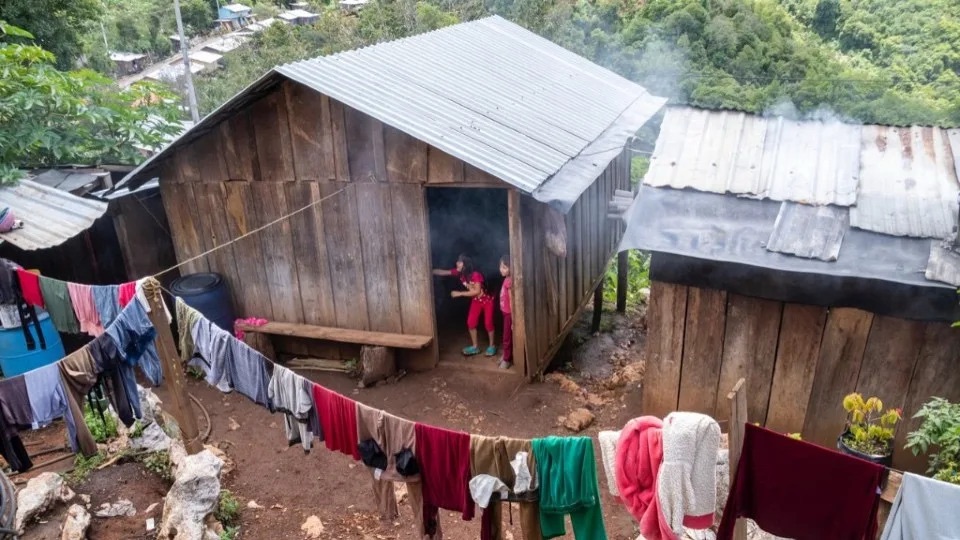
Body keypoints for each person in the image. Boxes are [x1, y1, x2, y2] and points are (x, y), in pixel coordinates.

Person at [433, 254, 496, 357]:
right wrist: (431, 271)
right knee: (471, 323)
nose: (457, 263)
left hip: (487, 300)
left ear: (465, 264)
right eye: (457, 261)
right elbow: (444, 272)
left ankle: (492, 346)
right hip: (476, 301)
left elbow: (476, 291)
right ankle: (475, 347)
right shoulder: (460, 273)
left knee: (488, 323)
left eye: (460, 261)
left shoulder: (475, 274)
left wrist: (460, 293)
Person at [498, 255, 513, 369]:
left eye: (504, 267)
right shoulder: (506, 279)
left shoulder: (508, 281)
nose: (501, 269)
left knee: (506, 337)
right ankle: (505, 355)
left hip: (509, 314)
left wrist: (513, 319)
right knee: (506, 335)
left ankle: (507, 359)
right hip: (505, 313)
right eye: (500, 266)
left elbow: (512, 300)